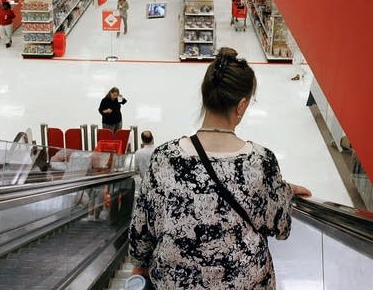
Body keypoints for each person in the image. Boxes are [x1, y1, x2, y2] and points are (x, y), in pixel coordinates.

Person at [128, 48, 312, 289]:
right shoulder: (260, 162)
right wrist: (282, 190)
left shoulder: (164, 157)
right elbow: (280, 227)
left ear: (205, 97)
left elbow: (142, 230)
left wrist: (140, 265)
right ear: (241, 105)